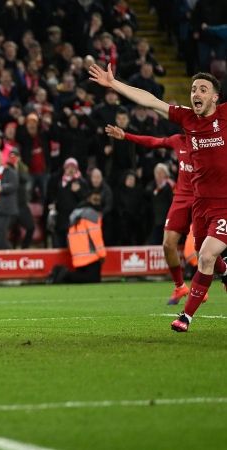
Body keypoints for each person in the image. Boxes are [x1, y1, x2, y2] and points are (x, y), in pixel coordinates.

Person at [88, 64, 227, 331]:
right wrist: (114, 84)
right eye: (193, 89)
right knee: (201, 253)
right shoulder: (187, 119)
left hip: (224, 203)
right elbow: (150, 100)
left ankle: (185, 317)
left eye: (203, 89)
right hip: (200, 203)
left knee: (207, 256)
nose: (196, 93)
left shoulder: (224, 115)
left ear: (214, 97)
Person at [104, 125, 199, 304]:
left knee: (203, 245)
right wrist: (126, 136)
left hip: (202, 197)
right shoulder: (178, 140)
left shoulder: (210, 141)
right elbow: (153, 142)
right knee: (168, 244)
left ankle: (211, 279)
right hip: (181, 197)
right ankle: (180, 287)